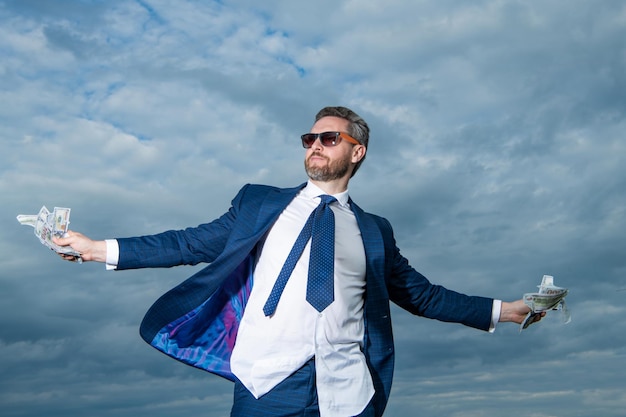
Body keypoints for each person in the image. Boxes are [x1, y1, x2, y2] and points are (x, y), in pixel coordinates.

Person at [54, 106, 541, 417]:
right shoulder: (260, 203)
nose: (314, 145)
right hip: (267, 383)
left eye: (328, 138)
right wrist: (98, 248)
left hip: (349, 387)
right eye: (309, 139)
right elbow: (191, 243)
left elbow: (420, 294)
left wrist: (506, 309)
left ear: (358, 151)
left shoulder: (375, 230)